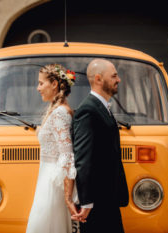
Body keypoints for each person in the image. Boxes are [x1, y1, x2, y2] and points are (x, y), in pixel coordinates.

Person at [71, 59, 129, 233]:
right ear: (98, 79)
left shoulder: (102, 107)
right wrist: (87, 201)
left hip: (108, 197)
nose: (118, 80)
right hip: (98, 201)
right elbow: (83, 158)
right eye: (114, 76)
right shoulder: (87, 110)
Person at [25, 64, 78, 233]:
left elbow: (67, 155)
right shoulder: (56, 111)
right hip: (47, 179)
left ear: (54, 84)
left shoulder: (59, 113)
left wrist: (68, 198)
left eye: (41, 83)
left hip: (52, 184)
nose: (37, 88)